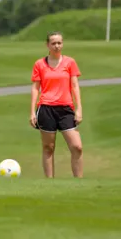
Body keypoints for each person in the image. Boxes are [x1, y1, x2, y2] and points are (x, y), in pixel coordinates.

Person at [29, 31, 84, 178]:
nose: (56, 46)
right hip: (46, 108)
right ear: (47, 45)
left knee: (77, 147)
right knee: (48, 148)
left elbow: (74, 85)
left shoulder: (70, 62)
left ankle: (79, 182)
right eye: (53, 43)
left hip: (66, 109)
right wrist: (32, 112)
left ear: (63, 44)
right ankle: (50, 183)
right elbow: (35, 88)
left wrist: (79, 109)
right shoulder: (39, 64)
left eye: (59, 43)